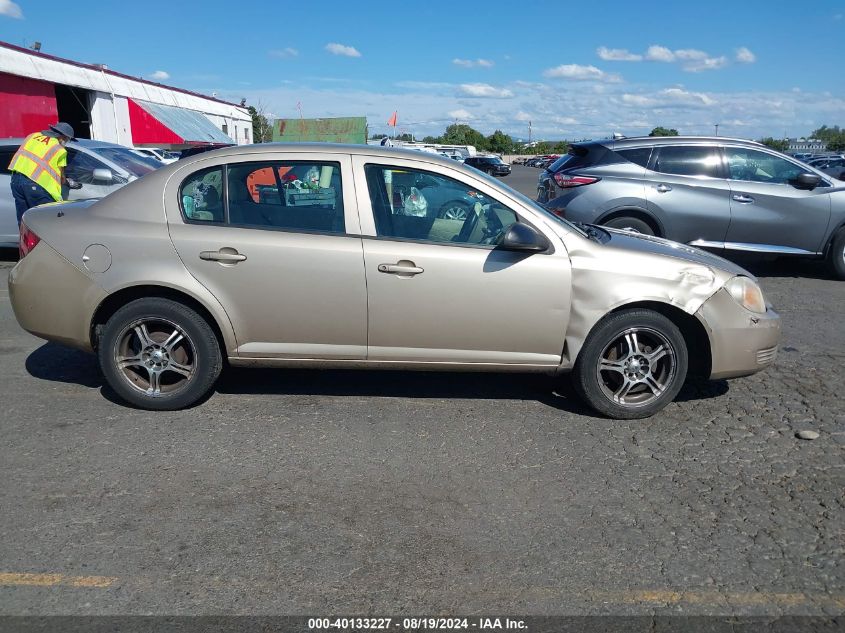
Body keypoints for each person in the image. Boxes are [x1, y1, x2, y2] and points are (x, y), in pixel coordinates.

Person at [8, 122, 76, 226]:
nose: (66, 142)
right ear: (63, 136)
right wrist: (68, 182)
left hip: (16, 181)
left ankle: (24, 241)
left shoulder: (32, 136)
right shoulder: (59, 149)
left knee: (24, 220)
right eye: (67, 139)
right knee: (45, 221)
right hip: (35, 185)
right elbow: (62, 178)